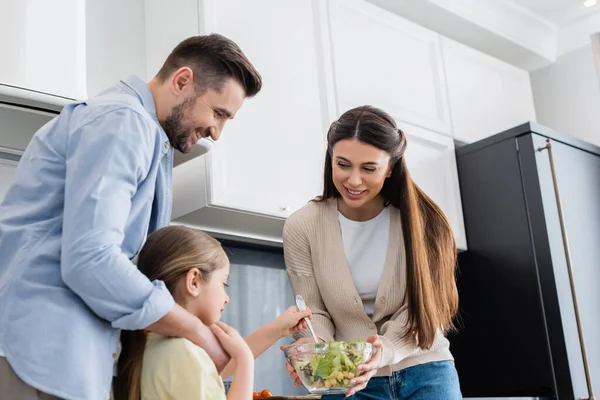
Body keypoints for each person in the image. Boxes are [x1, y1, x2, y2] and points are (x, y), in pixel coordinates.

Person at [0, 34, 262, 400]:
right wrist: (195, 330)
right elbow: (91, 259)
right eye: (218, 113)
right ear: (182, 80)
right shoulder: (124, 121)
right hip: (44, 352)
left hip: (60, 356)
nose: (217, 132)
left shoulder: (149, 138)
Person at [281, 105, 462, 399]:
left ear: (390, 167)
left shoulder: (424, 223)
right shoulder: (302, 226)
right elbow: (312, 309)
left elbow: (429, 307)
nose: (353, 180)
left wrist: (386, 350)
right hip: (349, 381)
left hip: (426, 371)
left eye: (369, 168)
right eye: (343, 164)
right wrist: (315, 356)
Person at [114, 225, 312, 400]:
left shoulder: (147, 345)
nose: (227, 297)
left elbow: (220, 365)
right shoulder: (185, 354)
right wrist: (244, 361)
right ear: (194, 282)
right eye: (224, 283)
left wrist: (276, 329)